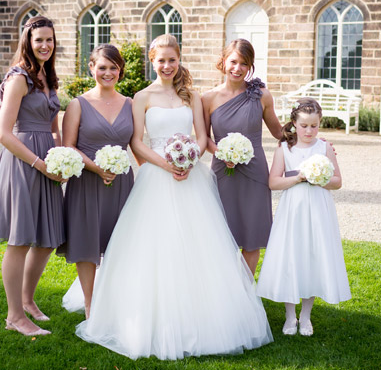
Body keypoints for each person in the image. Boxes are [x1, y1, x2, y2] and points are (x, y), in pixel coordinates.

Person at [75, 34, 273, 360]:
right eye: (161, 60)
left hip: (190, 176)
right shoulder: (141, 97)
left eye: (172, 59)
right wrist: (166, 164)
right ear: (152, 61)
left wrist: (189, 159)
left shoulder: (191, 96)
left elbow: (201, 135)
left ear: (179, 60)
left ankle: (206, 311)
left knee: (199, 245)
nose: (167, 66)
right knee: (156, 245)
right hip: (156, 174)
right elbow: (137, 142)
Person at [0, 16, 65, 337]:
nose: (45, 45)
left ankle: (28, 301)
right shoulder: (19, 78)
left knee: (46, 239)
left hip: (48, 160)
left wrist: (61, 157)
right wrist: (39, 162)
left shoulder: (47, 77)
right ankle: (14, 316)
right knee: (20, 240)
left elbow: (53, 124)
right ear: (28, 43)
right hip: (23, 162)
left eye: (49, 40)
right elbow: (3, 134)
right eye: (39, 40)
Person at [256, 97, 351, 337]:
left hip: (318, 210)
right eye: (304, 125)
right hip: (293, 210)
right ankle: (290, 316)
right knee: (292, 257)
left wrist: (320, 178)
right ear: (294, 124)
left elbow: (338, 182)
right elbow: (273, 182)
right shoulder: (285, 148)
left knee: (312, 257)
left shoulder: (324, 148)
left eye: (314, 126)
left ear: (320, 125)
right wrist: (300, 177)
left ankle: (306, 316)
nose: (309, 131)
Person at [57, 44, 134, 319]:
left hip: (122, 185)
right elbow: (69, 147)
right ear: (91, 68)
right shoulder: (78, 105)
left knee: (121, 242)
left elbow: (136, 145)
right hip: (87, 183)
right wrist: (98, 169)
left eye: (114, 68)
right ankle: (91, 305)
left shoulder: (131, 104)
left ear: (120, 70)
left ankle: (117, 300)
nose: (108, 73)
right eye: (102, 67)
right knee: (87, 244)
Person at [202, 39, 282, 275]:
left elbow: (278, 131)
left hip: (254, 172)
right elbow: (204, 138)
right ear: (223, 61)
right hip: (222, 173)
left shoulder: (262, 96)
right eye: (233, 62)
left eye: (244, 64)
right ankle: (225, 290)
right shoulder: (208, 98)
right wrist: (221, 152)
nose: (237, 68)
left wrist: (312, 140)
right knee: (222, 233)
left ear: (250, 67)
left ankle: (246, 290)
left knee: (251, 236)